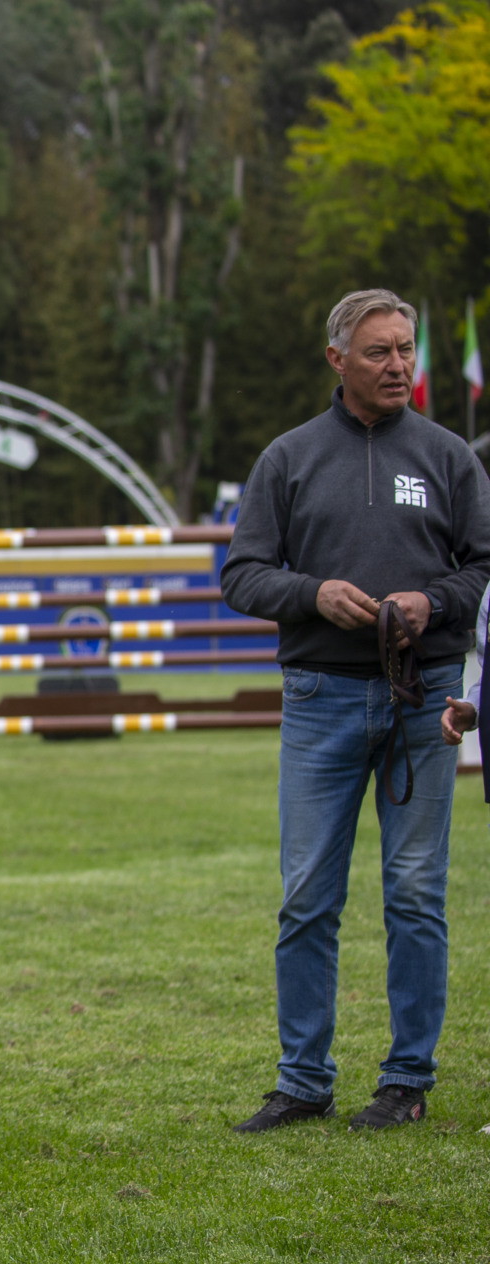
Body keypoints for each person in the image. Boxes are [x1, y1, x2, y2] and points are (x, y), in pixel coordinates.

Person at [221, 288, 490, 1134]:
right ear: (337, 359)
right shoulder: (288, 459)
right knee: (307, 895)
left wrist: (432, 604)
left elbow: (482, 569)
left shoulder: (450, 457)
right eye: (379, 351)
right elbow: (241, 576)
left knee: (415, 893)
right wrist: (311, 594)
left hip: (424, 700)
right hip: (320, 699)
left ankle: (406, 1081)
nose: (398, 365)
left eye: (405, 349)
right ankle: (303, 1080)